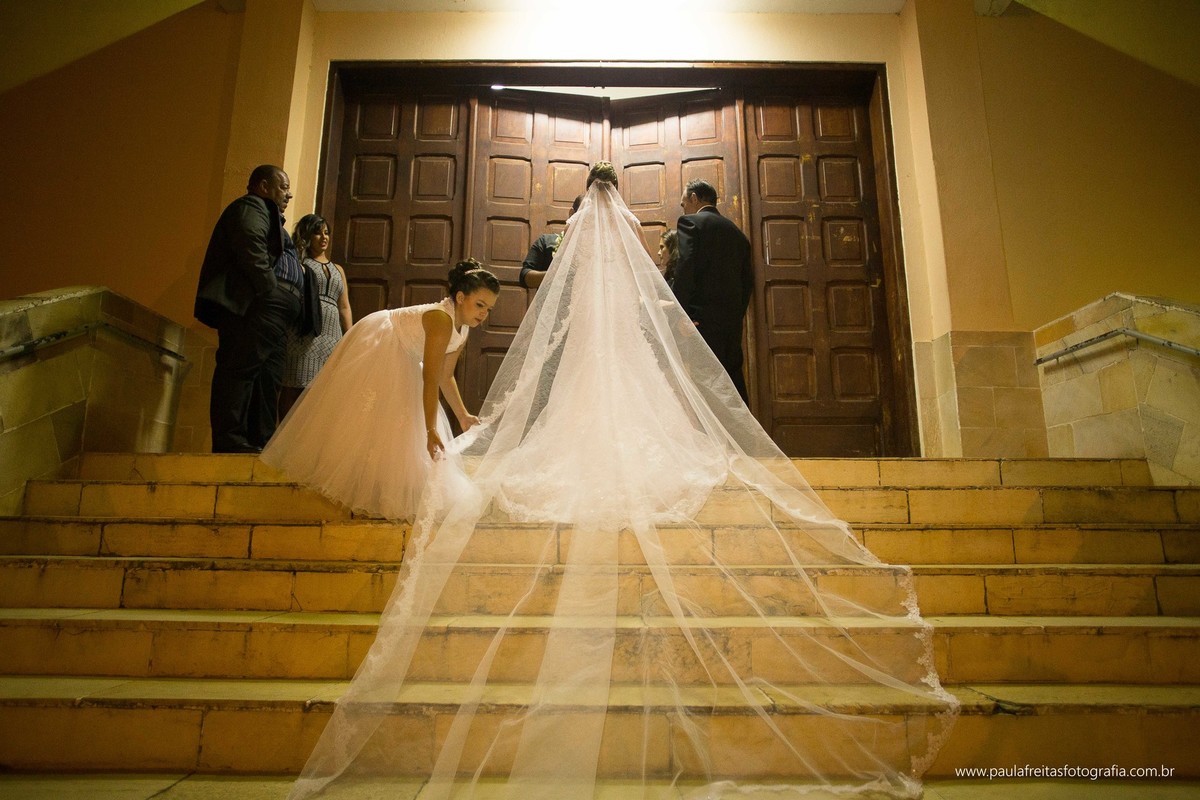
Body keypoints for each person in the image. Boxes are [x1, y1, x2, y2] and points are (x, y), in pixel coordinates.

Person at [287, 163, 956, 800]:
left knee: (581, 393)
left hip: (585, 333)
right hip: (617, 331)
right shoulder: (635, 229)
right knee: (627, 397)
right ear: (621, 192)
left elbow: (554, 281)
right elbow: (649, 284)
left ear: (586, 192)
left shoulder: (573, 230)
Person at [259, 259, 499, 521]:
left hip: (405, 354)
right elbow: (429, 379)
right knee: (369, 415)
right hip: (383, 341)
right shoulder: (441, 318)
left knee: (398, 425)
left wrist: (463, 415)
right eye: (480, 305)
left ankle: (378, 485)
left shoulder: (463, 329)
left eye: (489, 308)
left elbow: (444, 375)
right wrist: (430, 430)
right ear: (461, 297)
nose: (484, 313)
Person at [194, 164, 314, 453]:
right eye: (283, 187)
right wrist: (269, 288)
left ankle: (261, 440)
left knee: (267, 378)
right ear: (263, 186)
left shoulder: (271, 217)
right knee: (241, 370)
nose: (289, 194)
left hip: (275, 313)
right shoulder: (252, 206)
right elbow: (250, 244)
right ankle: (230, 440)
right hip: (258, 306)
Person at [672, 178, 755, 402]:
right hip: (730, 327)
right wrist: (735, 316)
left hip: (700, 324)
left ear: (693, 198)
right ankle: (741, 437)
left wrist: (681, 315)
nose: (684, 208)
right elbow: (747, 282)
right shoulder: (739, 235)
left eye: (683, 204)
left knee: (704, 393)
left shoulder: (691, 223)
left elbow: (685, 269)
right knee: (733, 388)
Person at [278, 214, 352, 418]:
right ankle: (283, 437)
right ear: (308, 235)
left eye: (326, 232)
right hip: (304, 330)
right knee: (294, 382)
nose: (323, 237)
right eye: (317, 232)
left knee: (323, 389)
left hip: (332, 335)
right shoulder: (301, 262)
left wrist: (349, 336)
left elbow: (344, 306)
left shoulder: (338, 270)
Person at [519, 194, 584, 290]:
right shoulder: (546, 242)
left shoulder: (603, 251)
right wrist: (556, 275)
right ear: (572, 213)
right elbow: (524, 277)